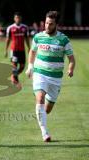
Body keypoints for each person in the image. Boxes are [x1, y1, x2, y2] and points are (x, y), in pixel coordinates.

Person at [25, 11, 76, 142]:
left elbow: (71, 59)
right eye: (46, 23)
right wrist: (30, 66)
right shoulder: (38, 37)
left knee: (47, 110)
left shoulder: (64, 40)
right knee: (40, 98)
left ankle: (40, 113)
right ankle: (44, 133)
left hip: (55, 79)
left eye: (51, 24)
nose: (47, 26)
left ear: (56, 24)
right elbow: (32, 51)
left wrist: (70, 69)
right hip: (40, 74)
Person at [5, 12, 30, 85]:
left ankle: (13, 76)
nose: (18, 19)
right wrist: (6, 50)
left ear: (21, 18)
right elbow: (8, 39)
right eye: (16, 18)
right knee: (14, 66)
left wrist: (29, 48)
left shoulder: (25, 27)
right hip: (14, 50)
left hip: (22, 50)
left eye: (19, 18)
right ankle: (15, 81)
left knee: (22, 67)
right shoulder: (10, 28)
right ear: (14, 18)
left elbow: (27, 38)